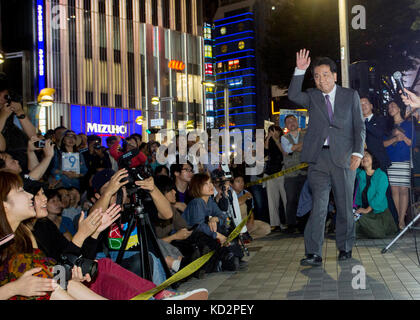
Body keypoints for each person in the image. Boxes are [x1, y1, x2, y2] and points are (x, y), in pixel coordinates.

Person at [288, 49, 365, 266]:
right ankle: (313, 253)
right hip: (318, 160)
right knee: (319, 206)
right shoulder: (312, 96)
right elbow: (293, 95)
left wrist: (358, 153)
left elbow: (359, 126)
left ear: (335, 75)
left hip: (344, 158)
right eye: (317, 76)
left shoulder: (350, 96)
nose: (321, 80)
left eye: (325, 75)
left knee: (343, 206)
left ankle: (345, 247)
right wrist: (300, 70)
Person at [0, 171, 107, 300]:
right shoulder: (22, 240)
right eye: (20, 191)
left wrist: (67, 276)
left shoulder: (27, 232)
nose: (30, 196)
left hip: (55, 285)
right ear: (4, 204)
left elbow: (59, 270)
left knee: (59, 278)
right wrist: (14, 288)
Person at [182, 173, 247, 271]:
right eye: (206, 184)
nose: (211, 186)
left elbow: (224, 216)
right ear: (197, 187)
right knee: (213, 233)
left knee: (223, 226)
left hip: (201, 234)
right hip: (188, 237)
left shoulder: (209, 201)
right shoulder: (197, 202)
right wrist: (218, 236)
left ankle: (230, 257)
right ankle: (222, 261)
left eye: (210, 183)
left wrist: (215, 219)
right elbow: (198, 226)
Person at [383, 100, 415, 230]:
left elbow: (411, 143)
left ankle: (401, 221)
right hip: (391, 160)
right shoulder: (387, 126)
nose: (391, 108)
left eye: (393, 105)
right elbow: (384, 144)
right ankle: (399, 218)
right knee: (394, 191)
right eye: (389, 106)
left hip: (405, 160)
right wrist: (395, 138)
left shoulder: (408, 124)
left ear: (399, 109)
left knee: (403, 190)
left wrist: (401, 135)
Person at [354, 150, 398, 239]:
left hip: (379, 213)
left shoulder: (381, 175)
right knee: (350, 224)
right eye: (362, 157)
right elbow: (350, 165)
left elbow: (379, 196)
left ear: (373, 158)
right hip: (364, 213)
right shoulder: (359, 174)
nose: (364, 157)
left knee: (377, 233)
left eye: (367, 155)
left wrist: (366, 210)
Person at [281, 115, 307, 233]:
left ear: (297, 122)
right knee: (291, 199)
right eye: (288, 122)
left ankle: (304, 223)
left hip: (305, 172)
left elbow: (302, 148)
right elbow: (288, 149)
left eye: (293, 121)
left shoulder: (306, 134)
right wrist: (300, 146)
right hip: (290, 174)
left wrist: (294, 148)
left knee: (305, 198)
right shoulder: (284, 138)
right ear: (286, 125)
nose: (291, 123)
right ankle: (291, 224)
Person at [231, 175, 271, 240]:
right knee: (243, 206)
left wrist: (251, 221)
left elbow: (251, 210)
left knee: (267, 228)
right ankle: (241, 236)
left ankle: (245, 238)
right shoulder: (229, 192)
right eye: (238, 181)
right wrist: (245, 196)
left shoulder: (246, 192)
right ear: (231, 184)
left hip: (246, 223)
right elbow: (236, 204)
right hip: (235, 225)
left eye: (242, 181)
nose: (241, 184)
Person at [264, 125, 287, 232]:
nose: (274, 133)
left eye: (275, 131)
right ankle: (275, 223)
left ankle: (288, 221)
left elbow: (285, 153)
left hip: (282, 171)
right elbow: (266, 150)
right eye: (271, 131)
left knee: (285, 198)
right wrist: (268, 138)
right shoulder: (268, 141)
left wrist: (277, 141)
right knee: (272, 199)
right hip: (270, 172)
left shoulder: (284, 139)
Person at [361, 97, 391, 170]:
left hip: (379, 160)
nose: (363, 106)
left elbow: (379, 133)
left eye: (365, 103)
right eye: (360, 104)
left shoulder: (381, 119)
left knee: (381, 180)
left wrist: (364, 122)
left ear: (371, 106)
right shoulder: (356, 122)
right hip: (364, 162)